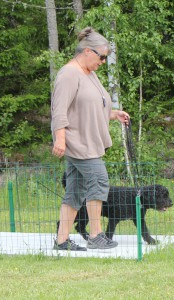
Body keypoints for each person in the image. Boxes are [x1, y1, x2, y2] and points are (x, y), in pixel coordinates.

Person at [51, 27, 129, 251]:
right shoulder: (69, 73)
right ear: (87, 51)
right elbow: (60, 110)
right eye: (101, 56)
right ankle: (95, 235)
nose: (103, 61)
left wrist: (113, 114)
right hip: (78, 142)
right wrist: (60, 138)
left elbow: (91, 105)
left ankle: (62, 240)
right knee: (99, 180)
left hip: (88, 141)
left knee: (75, 191)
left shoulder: (89, 73)